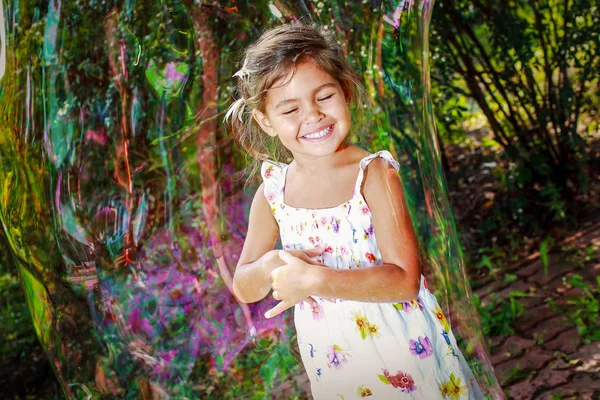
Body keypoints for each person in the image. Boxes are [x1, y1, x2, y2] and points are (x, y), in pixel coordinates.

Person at [226, 22, 484, 399]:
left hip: (405, 348)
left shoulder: (374, 175)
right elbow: (244, 286)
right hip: (338, 363)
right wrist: (273, 264)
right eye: (290, 108)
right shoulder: (273, 193)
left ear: (345, 92)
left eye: (324, 96)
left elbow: (404, 281)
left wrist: (315, 280)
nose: (312, 115)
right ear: (266, 121)